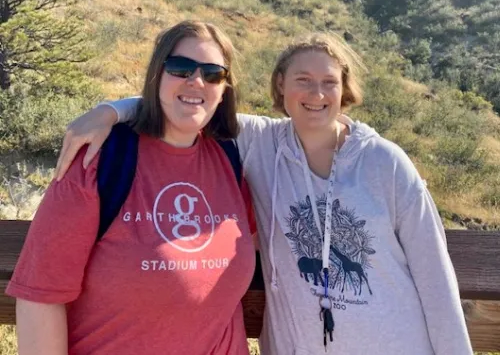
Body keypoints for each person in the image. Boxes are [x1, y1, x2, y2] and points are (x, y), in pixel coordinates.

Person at [54, 32, 473, 355]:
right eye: (303, 80)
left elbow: (436, 278)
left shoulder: (386, 162)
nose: (316, 94)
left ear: (344, 89)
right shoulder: (260, 143)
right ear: (281, 85)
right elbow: (191, 101)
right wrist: (109, 111)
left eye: (329, 82)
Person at [7, 20, 256, 355]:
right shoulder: (100, 159)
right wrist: (108, 111)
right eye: (180, 68)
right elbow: (39, 296)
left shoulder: (231, 158)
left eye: (212, 73)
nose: (196, 80)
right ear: (157, 74)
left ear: (224, 87)